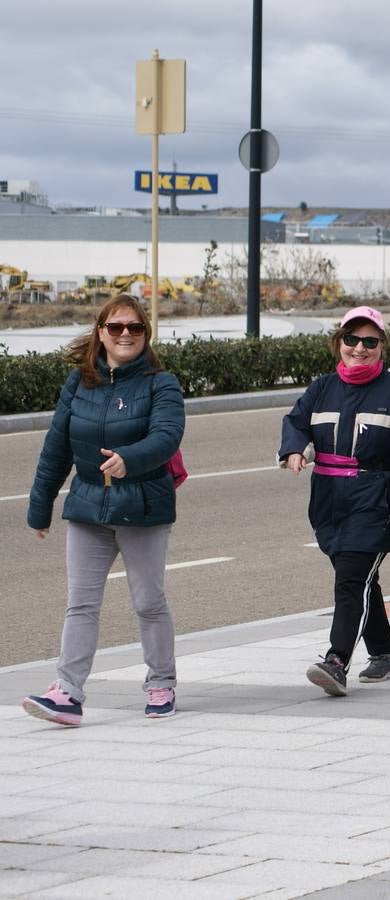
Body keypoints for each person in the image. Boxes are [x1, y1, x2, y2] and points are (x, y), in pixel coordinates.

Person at [22, 295, 185, 726]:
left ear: (145, 335)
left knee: (148, 602)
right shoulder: (79, 382)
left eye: (135, 328)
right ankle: (68, 693)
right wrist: (40, 507)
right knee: (80, 604)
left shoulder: (161, 384)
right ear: (101, 333)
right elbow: (56, 447)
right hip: (89, 507)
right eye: (116, 328)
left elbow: (167, 436)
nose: (126, 334)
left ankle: (161, 682)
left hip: (144, 506)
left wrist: (129, 459)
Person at [279, 306, 390, 697]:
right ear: (340, 343)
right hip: (329, 500)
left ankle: (336, 661)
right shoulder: (322, 387)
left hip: (376, 498)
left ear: (382, 346)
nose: (359, 348)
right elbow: (296, 421)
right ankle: (384, 653)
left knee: (351, 578)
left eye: (370, 341)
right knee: (360, 579)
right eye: (352, 339)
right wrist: (295, 448)